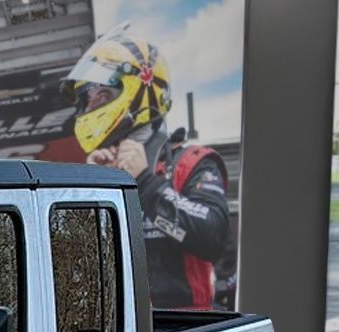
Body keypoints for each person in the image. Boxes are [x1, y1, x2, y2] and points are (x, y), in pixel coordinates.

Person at [61, 28, 231, 309]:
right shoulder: (104, 169)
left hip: (185, 331)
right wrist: (89, 188)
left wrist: (146, 182)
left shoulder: (191, 162)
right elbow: (73, 268)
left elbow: (213, 239)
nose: (90, 106)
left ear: (141, 90)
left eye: (100, 94)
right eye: (86, 99)